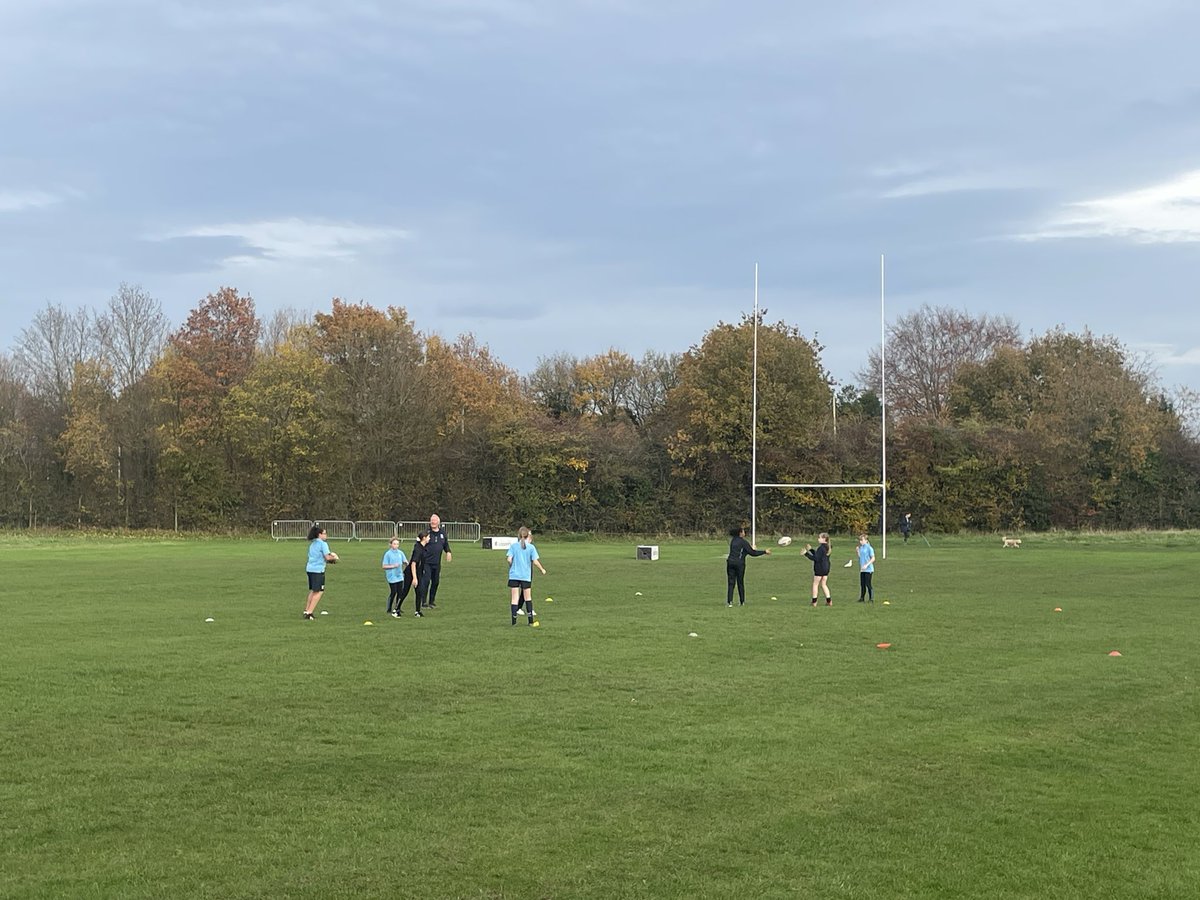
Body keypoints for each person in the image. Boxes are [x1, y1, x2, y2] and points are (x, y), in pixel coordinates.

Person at [507, 526, 547, 625]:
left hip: (514, 575)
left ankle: (514, 622)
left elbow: (509, 559)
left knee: (514, 598)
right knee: (528, 597)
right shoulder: (531, 547)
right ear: (527, 536)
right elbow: (535, 561)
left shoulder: (513, 546)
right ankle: (530, 621)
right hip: (525, 575)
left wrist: (512, 565)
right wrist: (542, 569)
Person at [726, 526, 770, 607]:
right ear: (740, 533)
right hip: (739, 564)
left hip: (730, 562)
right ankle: (742, 601)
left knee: (731, 583)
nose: (744, 533)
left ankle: (729, 602)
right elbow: (753, 553)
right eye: (743, 531)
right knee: (740, 582)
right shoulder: (743, 542)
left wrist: (749, 549)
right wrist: (764, 552)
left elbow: (741, 551)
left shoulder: (733, 541)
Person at [303, 524, 338, 620]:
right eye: (324, 533)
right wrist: (334, 557)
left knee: (313, 590)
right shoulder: (323, 544)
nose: (326, 535)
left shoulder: (313, 543)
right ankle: (309, 613)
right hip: (318, 570)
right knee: (319, 591)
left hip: (310, 569)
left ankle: (306, 610)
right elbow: (327, 557)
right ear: (319, 534)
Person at [424, 514, 453, 608]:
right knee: (426, 581)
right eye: (431, 520)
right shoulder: (426, 532)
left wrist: (448, 552)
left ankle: (431, 601)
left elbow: (445, 544)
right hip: (426, 562)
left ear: (438, 522)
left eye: (434, 520)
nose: (433, 522)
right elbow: (419, 544)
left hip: (436, 563)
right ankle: (423, 601)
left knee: (435, 582)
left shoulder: (442, 533)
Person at [382, 538, 410, 617]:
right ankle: (389, 608)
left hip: (399, 575)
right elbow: (384, 566)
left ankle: (398, 607)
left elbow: (405, 561)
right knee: (393, 592)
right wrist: (393, 566)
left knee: (400, 592)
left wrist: (406, 563)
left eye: (397, 544)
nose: (396, 546)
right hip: (392, 576)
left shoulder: (400, 553)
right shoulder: (388, 554)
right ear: (391, 544)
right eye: (394, 544)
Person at [804, 533, 832, 607]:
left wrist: (806, 554)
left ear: (824, 539)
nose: (818, 539)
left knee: (815, 584)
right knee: (824, 584)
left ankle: (814, 602)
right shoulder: (828, 547)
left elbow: (816, 558)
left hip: (819, 568)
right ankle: (829, 601)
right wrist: (811, 550)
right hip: (826, 568)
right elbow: (818, 555)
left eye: (819, 538)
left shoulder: (821, 548)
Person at [410, 531, 432, 617]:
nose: (429, 538)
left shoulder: (423, 548)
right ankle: (396, 609)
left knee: (419, 592)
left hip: (419, 573)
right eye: (428, 537)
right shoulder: (418, 549)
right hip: (411, 573)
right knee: (404, 592)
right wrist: (414, 578)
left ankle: (417, 611)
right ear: (424, 538)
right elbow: (413, 563)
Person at [856, 533, 876, 603]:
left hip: (868, 569)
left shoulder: (869, 548)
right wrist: (858, 552)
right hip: (862, 569)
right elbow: (861, 557)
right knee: (862, 584)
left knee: (868, 583)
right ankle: (862, 598)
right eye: (860, 540)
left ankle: (871, 598)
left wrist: (867, 565)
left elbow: (873, 558)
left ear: (866, 540)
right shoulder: (861, 548)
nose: (860, 541)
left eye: (862, 540)